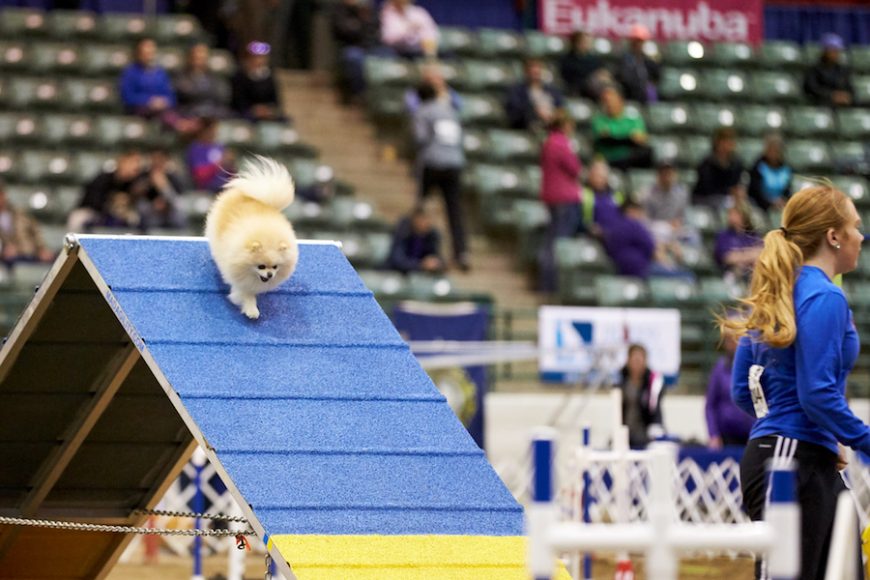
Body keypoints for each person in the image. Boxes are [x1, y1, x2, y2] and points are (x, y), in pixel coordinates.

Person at [721, 184, 870, 579]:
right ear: (833, 237)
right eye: (856, 226)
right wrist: (852, 436)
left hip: (794, 453)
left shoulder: (779, 291)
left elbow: (742, 389)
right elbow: (817, 393)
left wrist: (812, 431)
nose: (862, 235)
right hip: (791, 460)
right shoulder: (824, 298)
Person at [412, 81, 469, 271]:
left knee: (422, 207)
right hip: (454, 163)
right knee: (454, 211)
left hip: (432, 163)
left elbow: (420, 138)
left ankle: (418, 249)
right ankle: (461, 252)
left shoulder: (423, 111)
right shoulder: (450, 110)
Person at [538, 110, 582, 292]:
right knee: (560, 245)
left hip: (551, 198)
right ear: (564, 126)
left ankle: (546, 284)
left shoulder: (548, 143)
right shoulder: (563, 143)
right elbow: (575, 168)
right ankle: (554, 286)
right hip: (565, 199)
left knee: (551, 243)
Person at [68, 150, 146, 231]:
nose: (136, 167)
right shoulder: (104, 178)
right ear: (123, 162)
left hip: (118, 215)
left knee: (135, 218)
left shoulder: (132, 183)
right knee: (77, 218)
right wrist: (112, 202)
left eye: (137, 164)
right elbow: (94, 202)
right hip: (92, 212)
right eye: (132, 163)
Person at [704, 330, 755, 449]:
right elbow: (710, 405)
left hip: (751, 434)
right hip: (726, 436)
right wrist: (713, 434)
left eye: (735, 338)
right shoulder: (720, 368)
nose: (732, 343)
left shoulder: (754, 367)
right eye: (728, 340)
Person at [590, 86, 652, 170]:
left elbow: (641, 138)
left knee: (647, 152)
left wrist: (614, 135)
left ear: (620, 100)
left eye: (611, 100)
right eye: (605, 101)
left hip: (630, 158)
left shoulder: (633, 117)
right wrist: (629, 136)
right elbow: (604, 137)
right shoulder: (598, 120)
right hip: (609, 159)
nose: (608, 103)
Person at [616, 343, 665, 449]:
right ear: (628, 361)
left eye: (640, 359)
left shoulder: (653, 383)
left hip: (645, 433)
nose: (637, 363)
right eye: (634, 360)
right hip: (625, 432)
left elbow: (655, 410)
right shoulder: (621, 382)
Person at [331, 0, 381, 101]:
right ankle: (361, 94)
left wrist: (358, 25)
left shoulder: (369, 9)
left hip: (373, 47)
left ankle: (380, 95)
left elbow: (374, 28)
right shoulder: (339, 9)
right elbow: (342, 30)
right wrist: (360, 25)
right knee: (353, 57)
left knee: (387, 57)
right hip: (350, 47)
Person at [120, 38, 177, 119]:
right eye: (145, 52)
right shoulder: (130, 72)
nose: (148, 55)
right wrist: (150, 101)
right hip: (139, 111)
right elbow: (128, 97)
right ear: (138, 53)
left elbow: (171, 97)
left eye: (151, 52)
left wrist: (164, 102)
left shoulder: (160, 72)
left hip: (162, 110)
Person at [174, 42, 232, 120]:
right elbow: (183, 94)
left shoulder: (215, 77)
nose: (199, 57)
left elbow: (222, 96)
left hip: (213, 115)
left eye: (202, 55)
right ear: (189, 57)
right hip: (189, 115)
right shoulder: (180, 76)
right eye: (196, 55)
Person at [0, 182, 53, 265]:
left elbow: (35, 231)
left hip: (32, 254)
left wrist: (42, 249)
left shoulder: (20, 213)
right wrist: (3, 251)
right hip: (10, 260)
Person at [505, 58, 564, 131]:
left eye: (538, 68)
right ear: (525, 71)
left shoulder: (552, 91)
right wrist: (535, 111)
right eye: (532, 68)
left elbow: (560, 108)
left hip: (551, 127)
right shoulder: (517, 91)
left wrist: (554, 115)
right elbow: (515, 111)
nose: (535, 71)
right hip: (528, 128)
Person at [231, 41, 285, 122]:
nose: (259, 60)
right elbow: (238, 100)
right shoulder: (240, 76)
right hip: (245, 114)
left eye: (262, 57)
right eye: (256, 57)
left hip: (267, 114)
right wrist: (254, 110)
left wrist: (268, 110)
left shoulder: (269, 77)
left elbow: (276, 101)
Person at [135, 148, 187, 230]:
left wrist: (164, 187)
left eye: (160, 159)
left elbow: (178, 202)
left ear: (166, 160)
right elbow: (137, 198)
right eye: (154, 158)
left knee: (179, 214)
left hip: (169, 213)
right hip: (150, 212)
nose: (157, 162)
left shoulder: (174, 177)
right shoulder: (144, 176)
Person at [693, 127, 745, 208]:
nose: (727, 145)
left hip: (727, 198)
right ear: (717, 143)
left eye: (730, 142)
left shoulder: (736, 163)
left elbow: (736, 183)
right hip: (705, 199)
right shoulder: (706, 163)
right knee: (725, 203)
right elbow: (707, 188)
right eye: (724, 142)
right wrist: (730, 191)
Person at [602, 201, 656, 278]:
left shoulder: (613, 225)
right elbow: (649, 245)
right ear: (630, 210)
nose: (640, 215)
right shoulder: (634, 225)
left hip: (618, 268)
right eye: (638, 211)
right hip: (638, 268)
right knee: (672, 274)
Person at [386, 207, 445, 273]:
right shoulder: (403, 232)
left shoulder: (432, 235)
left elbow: (437, 257)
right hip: (396, 273)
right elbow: (397, 260)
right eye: (422, 219)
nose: (425, 223)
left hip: (419, 275)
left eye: (427, 219)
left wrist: (435, 264)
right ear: (414, 219)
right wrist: (421, 265)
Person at [714, 203, 762, 282]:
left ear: (743, 216)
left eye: (734, 214)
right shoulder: (723, 235)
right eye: (730, 214)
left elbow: (760, 254)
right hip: (729, 275)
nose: (730, 216)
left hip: (752, 274)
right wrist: (749, 255)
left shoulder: (753, 234)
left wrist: (740, 255)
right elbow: (727, 257)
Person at [559, 30, 611, 100]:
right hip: (580, 88)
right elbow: (570, 77)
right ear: (576, 43)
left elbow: (601, 69)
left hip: (597, 86)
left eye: (588, 42)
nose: (587, 44)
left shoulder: (594, 59)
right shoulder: (567, 60)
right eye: (584, 41)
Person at [187, 118, 236, 193]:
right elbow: (200, 176)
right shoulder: (196, 149)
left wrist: (231, 165)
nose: (215, 133)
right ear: (204, 131)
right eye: (212, 130)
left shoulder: (220, 147)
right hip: (207, 191)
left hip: (225, 187)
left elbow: (231, 172)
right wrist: (220, 163)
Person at [804, 33, 854, 107]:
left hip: (842, 103)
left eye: (837, 50)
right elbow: (812, 89)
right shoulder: (814, 69)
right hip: (823, 102)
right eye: (832, 50)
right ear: (825, 51)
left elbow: (850, 89)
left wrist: (846, 96)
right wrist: (832, 95)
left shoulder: (843, 70)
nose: (835, 53)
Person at [747, 133, 793, 212]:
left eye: (776, 150)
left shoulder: (786, 169)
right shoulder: (758, 167)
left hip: (780, 205)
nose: (773, 153)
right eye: (771, 149)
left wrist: (783, 200)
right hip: (760, 207)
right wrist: (770, 203)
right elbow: (754, 192)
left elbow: (788, 190)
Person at [617, 24, 660, 104]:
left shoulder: (647, 60)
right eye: (636, 41)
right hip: (629, 96)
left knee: (651, 90)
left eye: (640, 41)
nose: (638, 44)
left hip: (646, 97)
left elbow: (657, 76)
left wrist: (655, 61)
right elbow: (625, 79)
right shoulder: (624, 59)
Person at [581, 158, 624, 235]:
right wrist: (590, 228)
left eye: (602, 176)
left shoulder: (617, 195)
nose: (599, 179)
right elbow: (580, 221)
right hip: (593, 237)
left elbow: (624, 216)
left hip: (616, 234)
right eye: (596, 175)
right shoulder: (583, 193)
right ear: (590, 175)